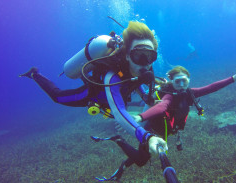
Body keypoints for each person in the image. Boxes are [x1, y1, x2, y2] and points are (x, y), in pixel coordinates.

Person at [19, 21, 168, 157]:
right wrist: (146, 136)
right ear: (128, 56)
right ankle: (35, 74)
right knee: (57, 97)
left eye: (150, 56)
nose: (145, 63)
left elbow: (137, 84)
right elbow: (119, 112)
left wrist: (148, 96)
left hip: (117, 95)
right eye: (138, 55)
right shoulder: (113, 77)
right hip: (93, 95)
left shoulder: (144, 69)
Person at [92, 65, 236, 181]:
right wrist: (140, 117)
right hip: (153, 132)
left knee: (143, 156)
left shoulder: (190, 93)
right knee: (141, 160)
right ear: (172, 82)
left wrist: (233, 78)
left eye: (184, 81)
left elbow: (210, 88)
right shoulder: (169, 95)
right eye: (178, 81)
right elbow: (162, 106)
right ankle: (118, 140)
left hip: (165, 132)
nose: (181, 85)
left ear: (188, 80)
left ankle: (121, 167)